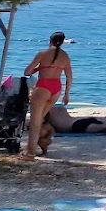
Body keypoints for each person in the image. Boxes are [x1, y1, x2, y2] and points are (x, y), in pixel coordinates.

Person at [24, 31, 71, 159]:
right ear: (62, 42)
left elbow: (27, 72)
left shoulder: (42, 54)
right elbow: (69, 77)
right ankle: (40, 146)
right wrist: (66, 94)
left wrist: (39, 68)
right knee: (40, 119)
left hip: (43, 87)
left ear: (50, 40)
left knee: (35, 123)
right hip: (57, 88)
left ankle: (30, 152)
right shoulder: (65, 56)